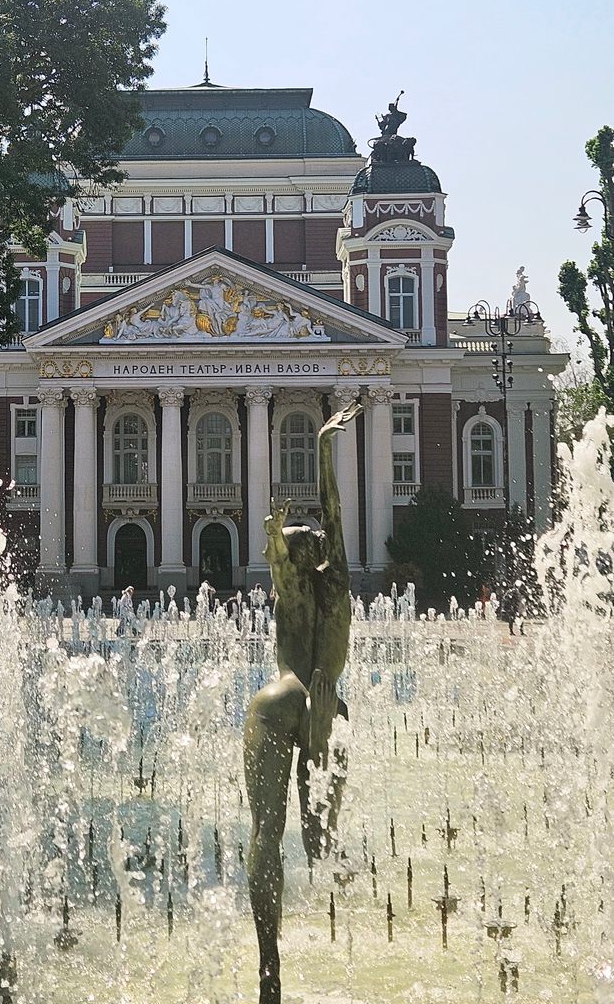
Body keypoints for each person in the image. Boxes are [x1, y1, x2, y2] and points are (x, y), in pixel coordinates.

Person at [244, 401, 361, 1004]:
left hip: (281, 698)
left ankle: (270, 966)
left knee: (266, 831)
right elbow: (335, 515)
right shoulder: (337, 581)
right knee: (321, 840)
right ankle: (348, 931)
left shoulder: (287, 586)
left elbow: (278, 557)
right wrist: (322, 448)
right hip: (329, 707)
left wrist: (272, 533)